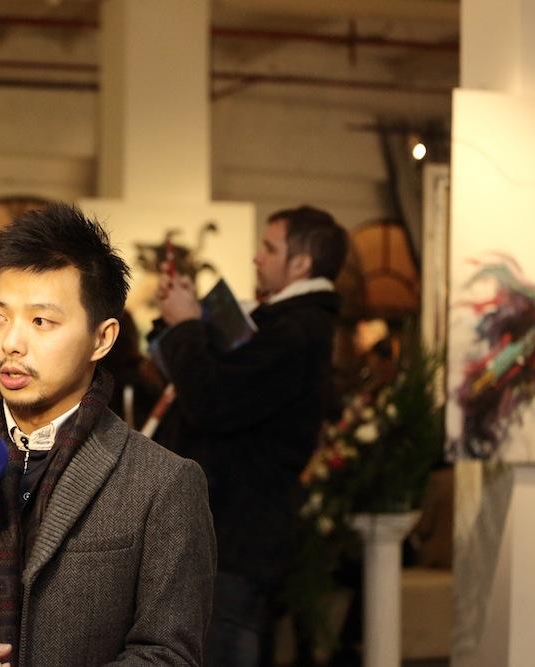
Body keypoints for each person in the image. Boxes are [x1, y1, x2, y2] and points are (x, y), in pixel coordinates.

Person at [0, 203, 216, 666]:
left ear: (102, 338)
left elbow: (169, 654)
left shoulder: (161, 484)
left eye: (41, 321)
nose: (11, 343)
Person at [155, 205, 347, 666]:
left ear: (301, 264)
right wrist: (186, 323)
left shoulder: (297, 329)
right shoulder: (286, 322)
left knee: (220, 647)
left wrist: (186, 327)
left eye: (269, 248)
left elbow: (212, 400)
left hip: (238, 534)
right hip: (230, 529)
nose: (257, 258)